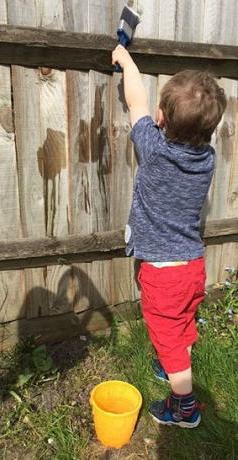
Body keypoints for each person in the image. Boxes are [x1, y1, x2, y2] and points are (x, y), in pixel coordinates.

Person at [112, 45, 226, 427]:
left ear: (162, 118)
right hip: (192, 264)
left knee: (170, 338)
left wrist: (127, 62)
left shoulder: (155, 150)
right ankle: (172, 364)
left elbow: (135, 102)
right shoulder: (206, 159)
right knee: (181, 324)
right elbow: (147, 109)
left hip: (165, 272)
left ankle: (184, 406)